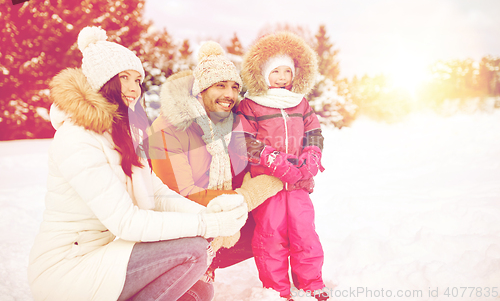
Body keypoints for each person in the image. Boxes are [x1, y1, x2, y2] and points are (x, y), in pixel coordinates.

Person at [27, 26, 249, 301]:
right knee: (194, 250)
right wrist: (207, 227)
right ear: (102, 81)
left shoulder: (125, 135)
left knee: (201, 291)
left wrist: (209, 215)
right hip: (69, 266)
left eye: (137, 79)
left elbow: (157, 194)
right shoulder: (77, 139)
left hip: (109, 253)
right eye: (124, 78)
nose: (134, 88)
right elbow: (126, 222)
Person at [147, 41, 283, 278]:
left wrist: (287, 171)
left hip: (215, 213)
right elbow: (179, 196)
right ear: (200, 90)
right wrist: (247, 196)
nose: (229, 95)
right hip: (177, 224)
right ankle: (190, 265)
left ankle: (210, 259)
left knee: (281, 215)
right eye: (220, 86)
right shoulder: (168, 128)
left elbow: (249, 168)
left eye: (234, 87)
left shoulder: (230, 126)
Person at [236, 31, 329, 301]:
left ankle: (311, 283)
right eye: (275, 71)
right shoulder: (251, 104)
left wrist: (312, 157)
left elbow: (314, 132)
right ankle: (276, 290)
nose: (282, 77)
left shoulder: (300, 102)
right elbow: (244, 140)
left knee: (305, 232)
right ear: (264, 74)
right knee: (271, 236)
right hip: (268, 183)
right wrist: (274, 160)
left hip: (299, 181)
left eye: (287, 71)